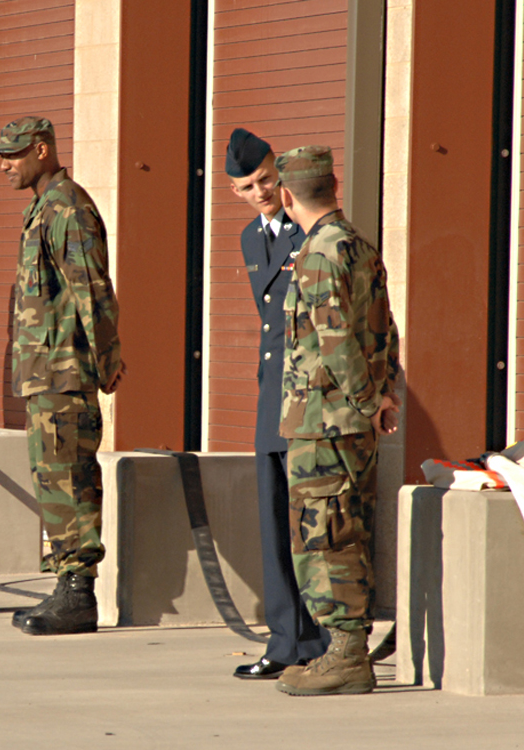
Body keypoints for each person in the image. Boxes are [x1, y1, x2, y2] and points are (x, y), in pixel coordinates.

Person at [0, 116, 125, 636]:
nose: (5, 165)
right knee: (52, 479)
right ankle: (66, 583)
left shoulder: (66, 207)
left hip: (65, 371)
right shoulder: (43, 208)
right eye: (2, 156)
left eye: (14, 155)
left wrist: (107, 358)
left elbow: (91, 287)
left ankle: (77, 593)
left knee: (68, 478)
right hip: (46, 373)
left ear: (42, 151)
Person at [272, 146, 400, 696]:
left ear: (285, 195)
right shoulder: (357, 244)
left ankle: (347, 654)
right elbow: (385, 330)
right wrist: (383, 394)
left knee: (327, 536)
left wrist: (370, 402)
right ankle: (343, 649)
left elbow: (337, 341)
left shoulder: (320, 252)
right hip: (345, 418)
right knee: (345, 528)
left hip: (326, 420)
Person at [224, 128, 329, 679]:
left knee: (316, 522)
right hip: (274, 395)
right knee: (272, 519)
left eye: (265, 179)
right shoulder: (250, 239)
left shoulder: (316, 230)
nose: (260, 192)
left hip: (314, 398)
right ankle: (286, 641)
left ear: (280, 171)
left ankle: (327, 641)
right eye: (246, 187)